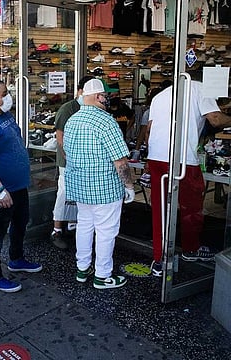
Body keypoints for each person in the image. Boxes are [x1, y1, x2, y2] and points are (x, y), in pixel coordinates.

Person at [147, 80, 231, 277]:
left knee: (160, 209)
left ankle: (159, 259)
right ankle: (191, 249)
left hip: (157, 156)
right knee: (191, 207)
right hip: (183, 158)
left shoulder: (161, 95)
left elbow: (150, 128)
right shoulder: (201, 88)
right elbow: (216, 120)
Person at [0, 78, 42, 293]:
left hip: (18, 186)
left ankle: (16, 259)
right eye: (5, 92)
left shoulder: (5, 116)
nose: (8, 95)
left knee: (20, 223)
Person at [63, 78, 134, 290]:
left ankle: (83, 269)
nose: (108, 98)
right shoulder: (106, 121)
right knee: (106, 231)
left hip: (80, 186)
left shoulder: (72, 120)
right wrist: (129, 186)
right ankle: (103, 276)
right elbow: (120, 160)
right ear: (96, 96)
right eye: (105, 95)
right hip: (104, 188)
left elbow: (66, 152)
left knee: (84, 226)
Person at [50, 75, 94, 250]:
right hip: (68, 161)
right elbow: (59, 135)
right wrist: (70, 155)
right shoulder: (68, 108)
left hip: (85, 160)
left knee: (80, 195)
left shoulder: (92, 108)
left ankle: (74, 227)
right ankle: (56, 230)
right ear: (81, 91)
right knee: (64, 193)